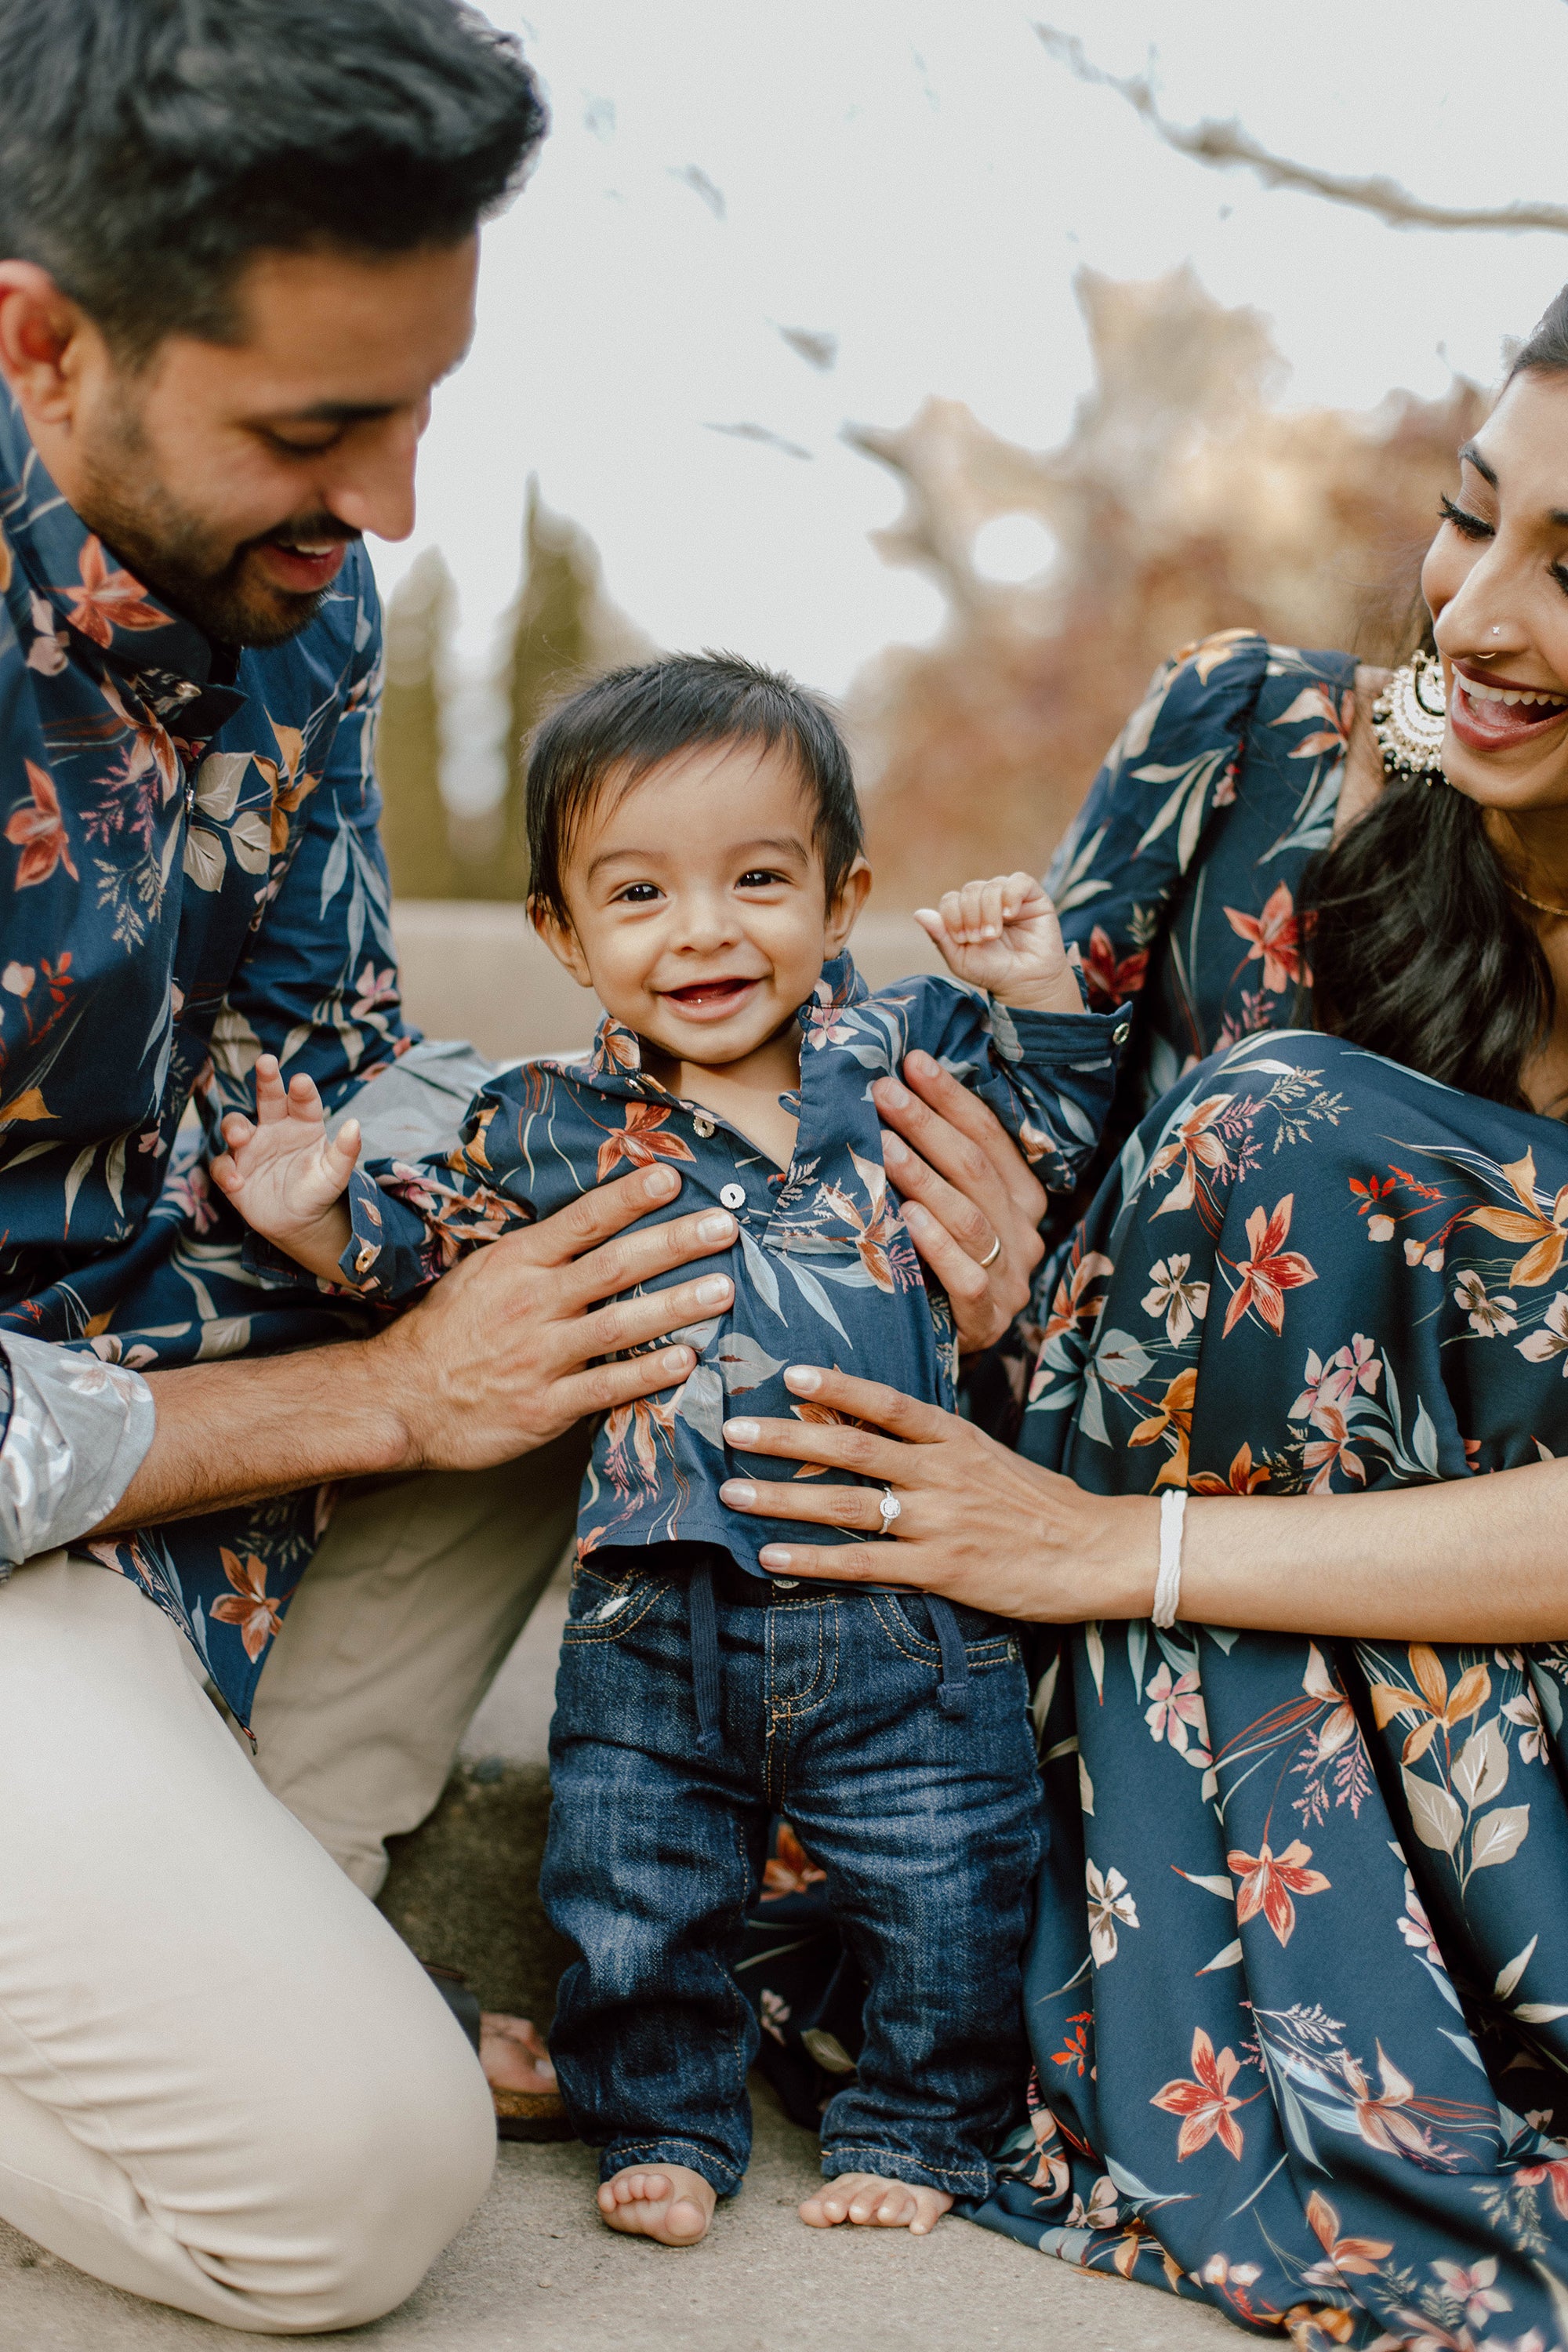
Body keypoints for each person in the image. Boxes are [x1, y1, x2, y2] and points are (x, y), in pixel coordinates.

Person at [0, 2, 1041, 2330]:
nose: (390, 510)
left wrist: (928, 1219)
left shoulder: (297, 602)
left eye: (418, 406)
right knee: (352, 2188)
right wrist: (379, 1397)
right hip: (41, 1487)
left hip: (181, 1402)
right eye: (313, 428)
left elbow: (337, 1057)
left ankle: (254, 1871)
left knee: (632, 1269)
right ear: (42, 346)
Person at [707, 290, 1568, 2343]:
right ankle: (896, 1948)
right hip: (1119, 1669)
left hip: (1483, 1719)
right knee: (1248, 1140)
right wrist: (986, 1266)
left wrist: (1119, 1545)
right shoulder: (1252, 748)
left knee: (1287, 1125)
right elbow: (1040, 1211)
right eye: (1477, 515)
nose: (1488, 618)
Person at [215, 650, 1127, 2246]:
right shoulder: (546, 1120)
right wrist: (317, 1217)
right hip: (654, 1606)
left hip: (897, 1594)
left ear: (841, 898)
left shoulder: (902, 1053)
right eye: (637, 894)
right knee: (631, 1881)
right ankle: (661, 2118)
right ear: (560, 936)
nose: (702, 929)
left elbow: (1053, 1127)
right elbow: (430, 1250)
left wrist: (1036, 987)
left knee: (943, 1877)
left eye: (757, 880)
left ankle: (918, 2126)